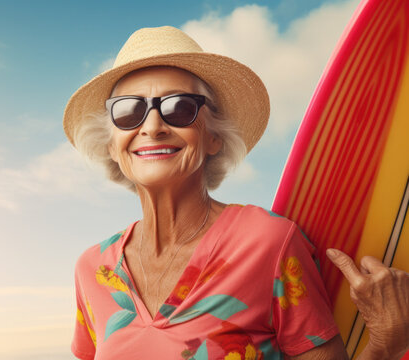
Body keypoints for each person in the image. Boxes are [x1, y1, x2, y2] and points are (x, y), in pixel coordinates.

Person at [63, 26, 409, 360]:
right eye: (128, 111)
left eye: (180, 108)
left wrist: (385, 347)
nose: (152, 127)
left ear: (214, 137)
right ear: (112, 145)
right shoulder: (92, 269)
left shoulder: (270, 244)